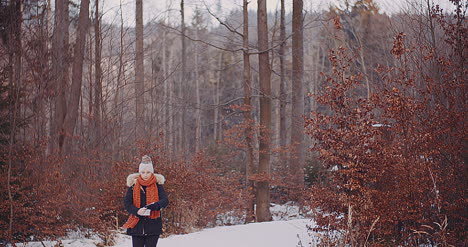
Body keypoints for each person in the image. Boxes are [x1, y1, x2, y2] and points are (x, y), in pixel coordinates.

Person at [123, 155, 169, 247]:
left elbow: (165, 201)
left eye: (148, 172)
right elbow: (127, 203)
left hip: (153, 226)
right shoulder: (133, 186)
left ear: (151, 172)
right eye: (143, 172)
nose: (145, 174)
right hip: (137, 225)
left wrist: (155, 205)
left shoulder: (158, 185)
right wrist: (137, 211)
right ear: (140, 172)